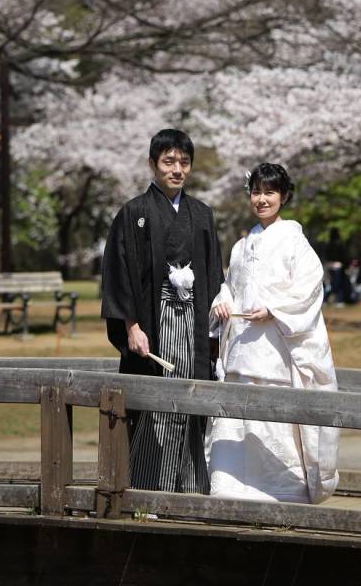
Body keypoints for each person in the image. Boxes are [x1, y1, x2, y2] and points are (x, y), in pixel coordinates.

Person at [207, 162, 339, 504]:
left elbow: (309, 289)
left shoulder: (295, 242)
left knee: (273, 421)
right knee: (237, 419)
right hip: (241, 350)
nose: (262, 199)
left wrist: (274, 309)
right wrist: (222, 303)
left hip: (275, 349)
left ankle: (282, 492)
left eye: (269, 192)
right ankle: (229, 487)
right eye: (256, 192)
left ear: (284, 197)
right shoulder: (241, 246)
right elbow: (230, 287)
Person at [100, 128, 223, 493]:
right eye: (169, 161)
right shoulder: (134, 213)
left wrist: (213, 334)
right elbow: (120, 275)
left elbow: (213, 275)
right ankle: (149, 490)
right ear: (152, 164)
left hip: (194, 325)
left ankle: (191, 488)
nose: (177, 169)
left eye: (184, 162)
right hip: (153, 325)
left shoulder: (201, 214)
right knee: (156, 403)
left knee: (192, 398)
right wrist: (132, 327)